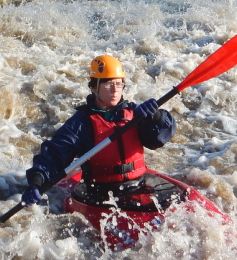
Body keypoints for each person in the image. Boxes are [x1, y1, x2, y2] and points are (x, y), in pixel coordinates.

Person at [21, 55, 177, 207]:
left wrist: (156, 117)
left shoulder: (135, 113)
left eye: (119, 84)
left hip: (138, 185)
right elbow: (54, 155)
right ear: (94, 87)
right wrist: (36, 182)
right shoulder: (81, 123)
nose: (115, 90)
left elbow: (159, 138)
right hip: (101, 193)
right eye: (109, 84)